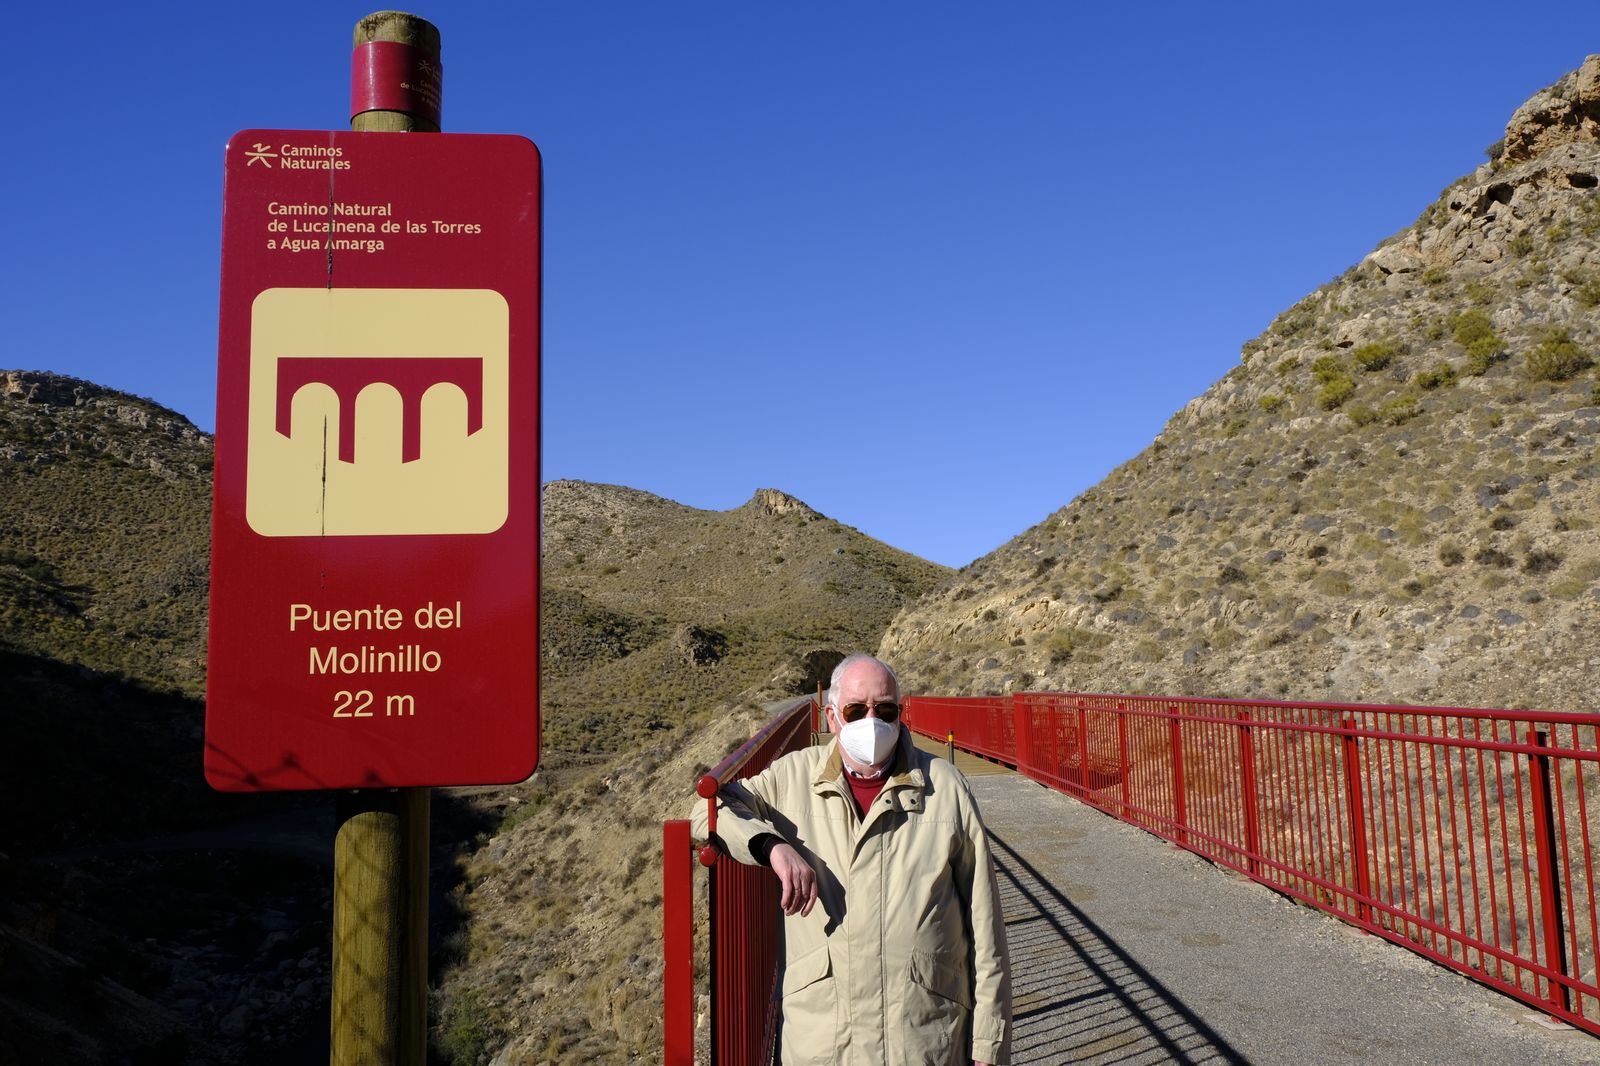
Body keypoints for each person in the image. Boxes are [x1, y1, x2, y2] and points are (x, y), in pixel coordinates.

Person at [694, 653, 1012, 1065]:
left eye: (885, 709)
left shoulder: (946, 789)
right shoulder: (791, 778)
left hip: (922, 1041)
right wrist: (771, 845)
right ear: (831, 717)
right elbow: (703, 807)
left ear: (901, 713)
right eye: (856, 710)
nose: (872, 721)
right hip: (824, 1043)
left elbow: (986, 927)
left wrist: (989, 1045)